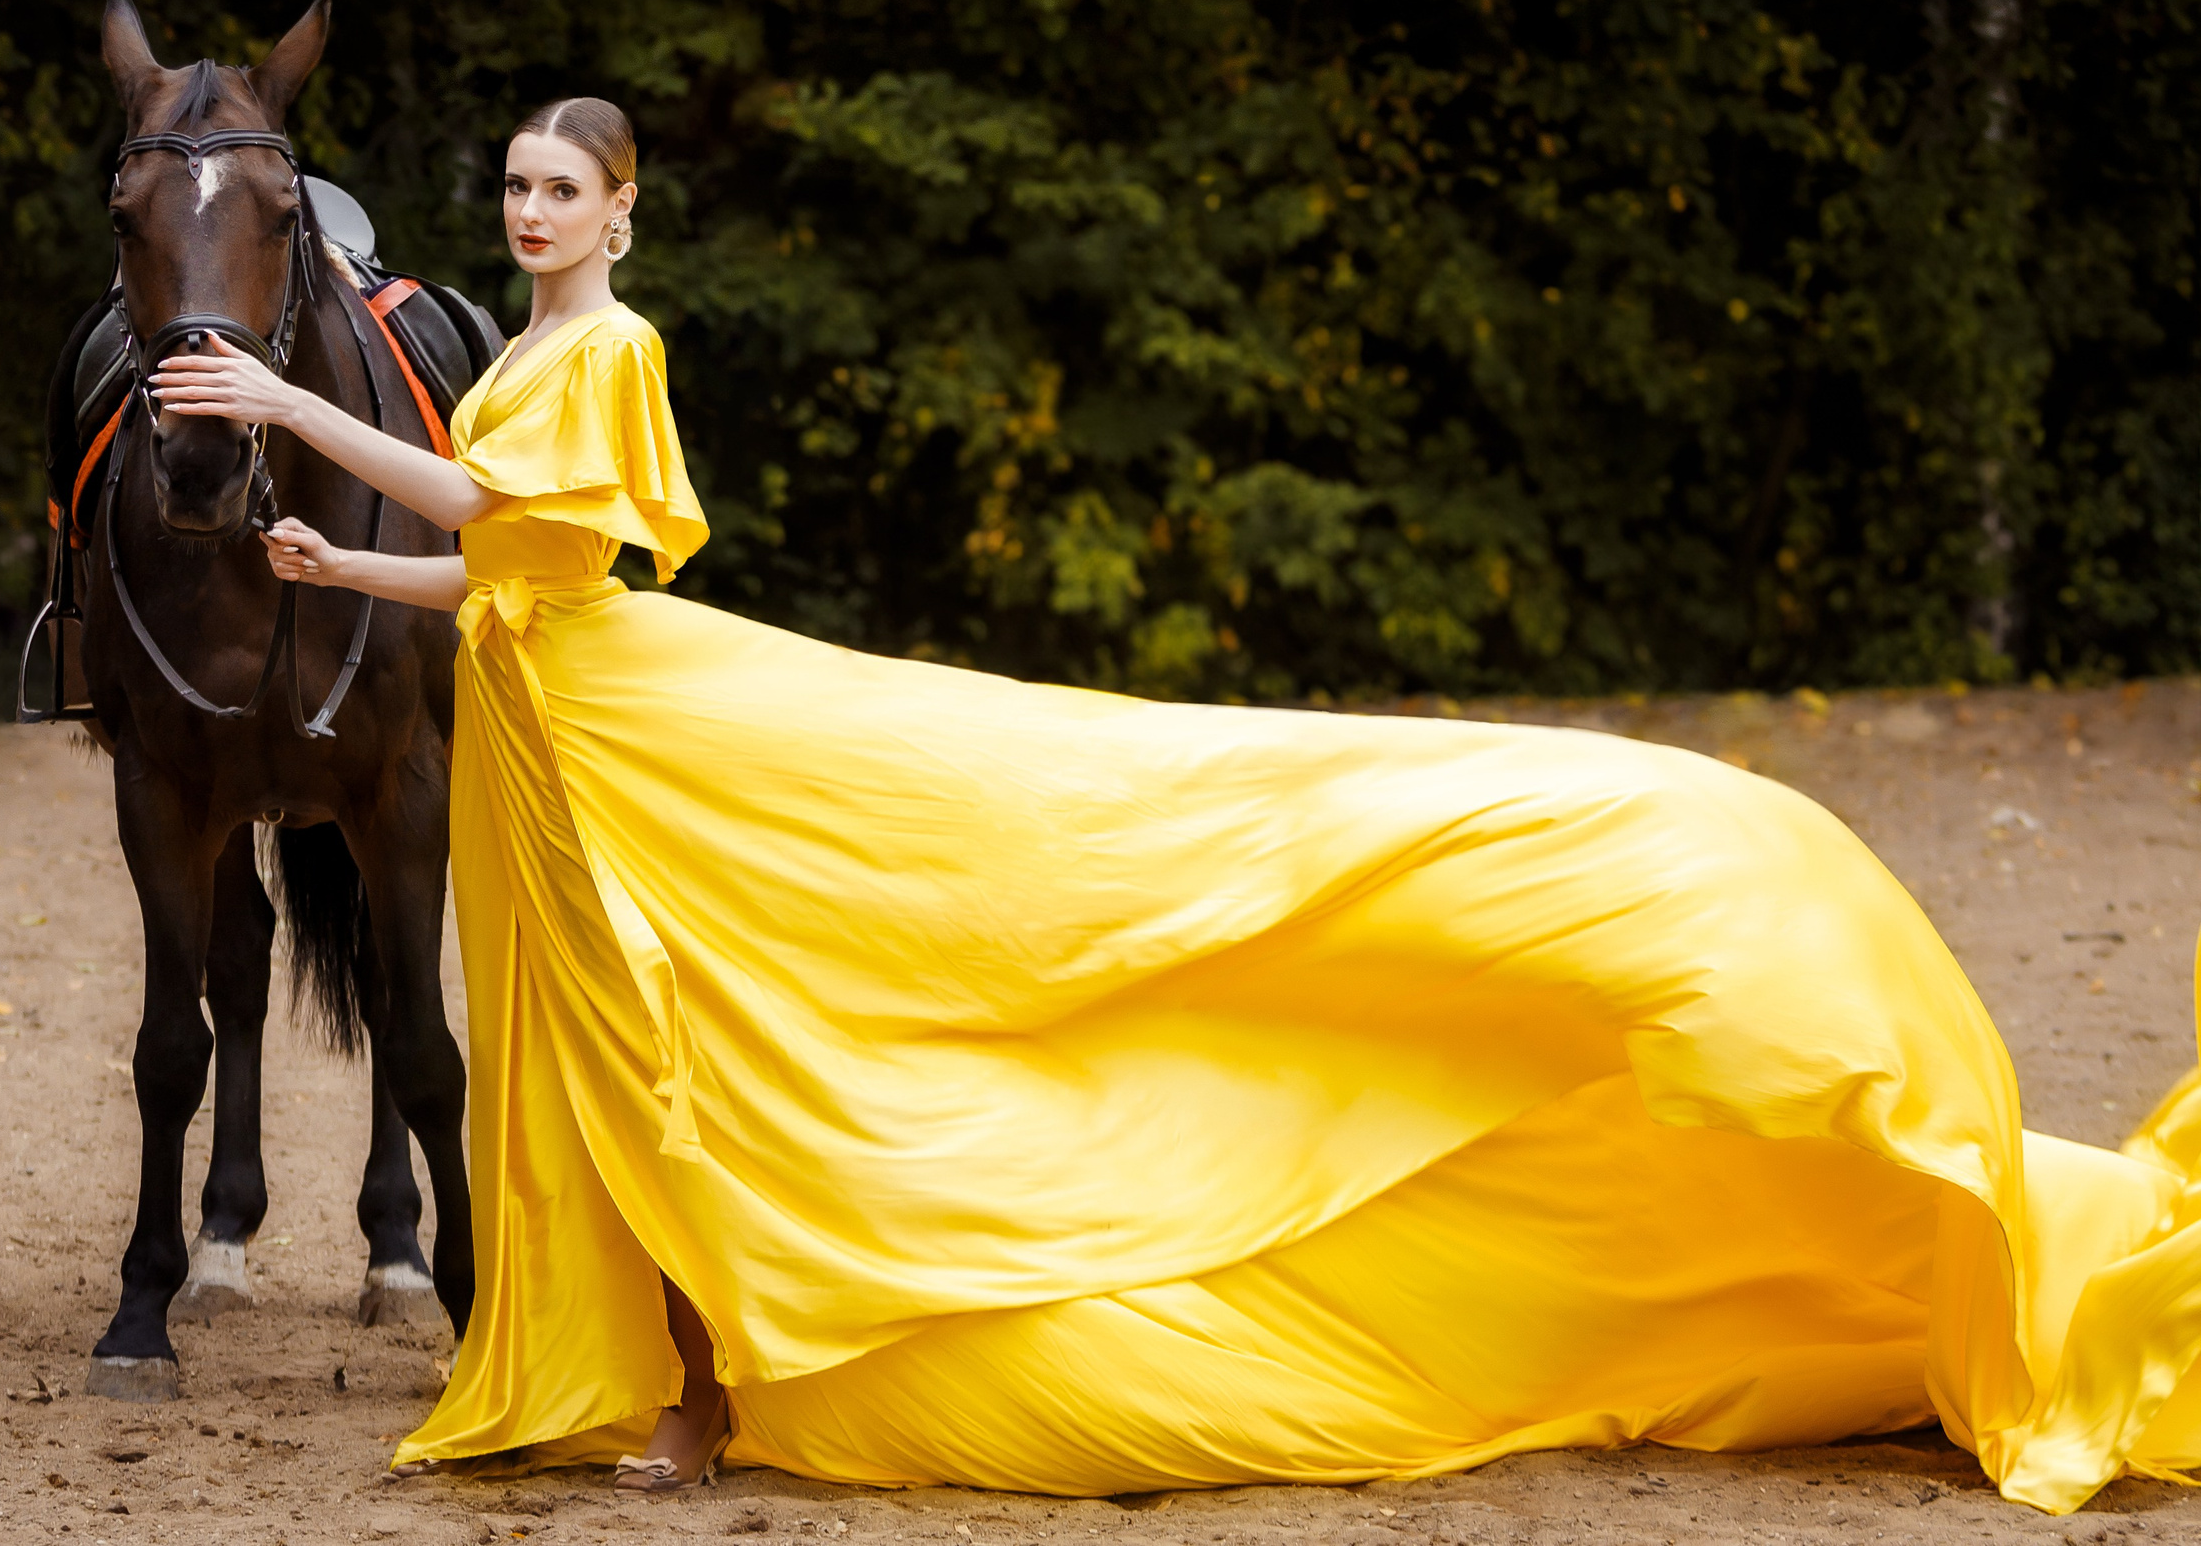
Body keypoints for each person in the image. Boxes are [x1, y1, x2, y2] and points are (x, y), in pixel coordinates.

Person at [149, 97, 2201, 1517]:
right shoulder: (520, 352)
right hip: (545, 727)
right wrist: (350, 568)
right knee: (620, 1055)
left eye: (560, 190)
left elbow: (525, 521)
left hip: (629, 730)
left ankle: (701, 1393)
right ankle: (686, 1371)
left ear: (621, 213)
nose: (529, 213)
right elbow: (503, 564)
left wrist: (296, 408)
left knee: (685, 1039)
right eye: (514, 186)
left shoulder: (614, 347)